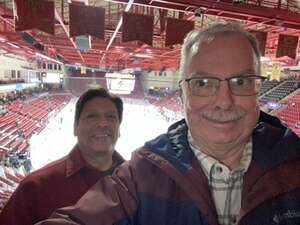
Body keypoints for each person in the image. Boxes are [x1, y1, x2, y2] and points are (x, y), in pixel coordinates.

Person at [37, 22, 300, 225]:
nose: (224, 101)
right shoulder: (141, 174)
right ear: (182, 92)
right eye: (202, 83)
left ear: (258, 89)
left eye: (241, 82)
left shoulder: (294, 168)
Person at [0, 88, 125, 225]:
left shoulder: (136, 183)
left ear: (119, 129)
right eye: (92, 116)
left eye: (111, 117)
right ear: (75, 127)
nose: (102, 124)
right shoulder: (35, 187)